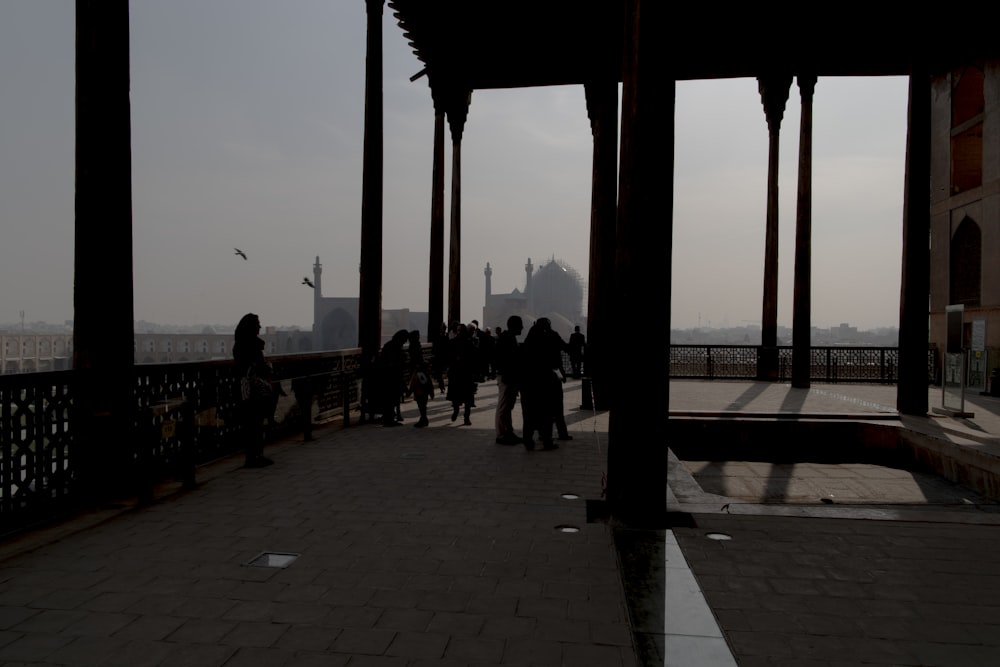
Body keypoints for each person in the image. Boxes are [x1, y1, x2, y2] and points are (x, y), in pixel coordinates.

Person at [233, 312, 274, 468]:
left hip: (251, 388)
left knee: (255, 423)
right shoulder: (247, 345)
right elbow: (249, 367)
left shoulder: (244, 343)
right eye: (257, 324)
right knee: (253, 423)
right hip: (250, 389)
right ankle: (253, 457)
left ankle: (256, 455)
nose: (260, 326)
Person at [519, 319, 558, 450]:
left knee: (528, 415)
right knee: (546, 414)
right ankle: (547, 441)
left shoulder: (525, 347)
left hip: (528, 386)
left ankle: (528, 441)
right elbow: (553, 363)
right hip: (543, 385)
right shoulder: (545, 346)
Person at [493, 315, 524, 445]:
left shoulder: (507, 337)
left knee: (507, 407)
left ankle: (508, 432)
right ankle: (501, 434)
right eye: (520, 325)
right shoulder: (507, 339)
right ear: (514, 326)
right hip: (507, 377)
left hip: (509, 377)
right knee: (504, 406)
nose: (522, 327)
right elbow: (506, 360)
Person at [445, 323, 477, 425]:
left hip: (459, 372)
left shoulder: (454, 342)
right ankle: (464, 416)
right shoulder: (469, 342)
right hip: (463, 373)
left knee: (459, 395)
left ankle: (461, 414)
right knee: (465, 396)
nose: (459, 332)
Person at [408, 361, 435, 427]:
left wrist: (409, 392)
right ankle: (424, 420)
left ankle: (423, 420)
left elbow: (413, 384)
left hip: (419, 393)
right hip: (424, 393)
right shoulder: (425, 373)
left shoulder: (417, 374)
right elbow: (429, 384)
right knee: (423, 407)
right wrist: (431, 392)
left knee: (421, 407)